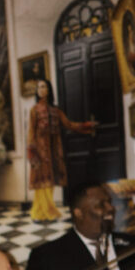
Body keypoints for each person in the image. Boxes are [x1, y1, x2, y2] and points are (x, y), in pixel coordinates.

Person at [27, 79, 95, 222]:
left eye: (44, 87)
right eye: (39, 87)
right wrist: (31, 151)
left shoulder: (56, 110)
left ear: (49, 90)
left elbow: (69, 124)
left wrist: (86, 126)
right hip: (40, 152)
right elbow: (31, 133)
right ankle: (39, 213)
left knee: (50, 182)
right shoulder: (34, 110)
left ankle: (48, 212)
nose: (41, 89)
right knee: (41, 183)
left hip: (54, 152)